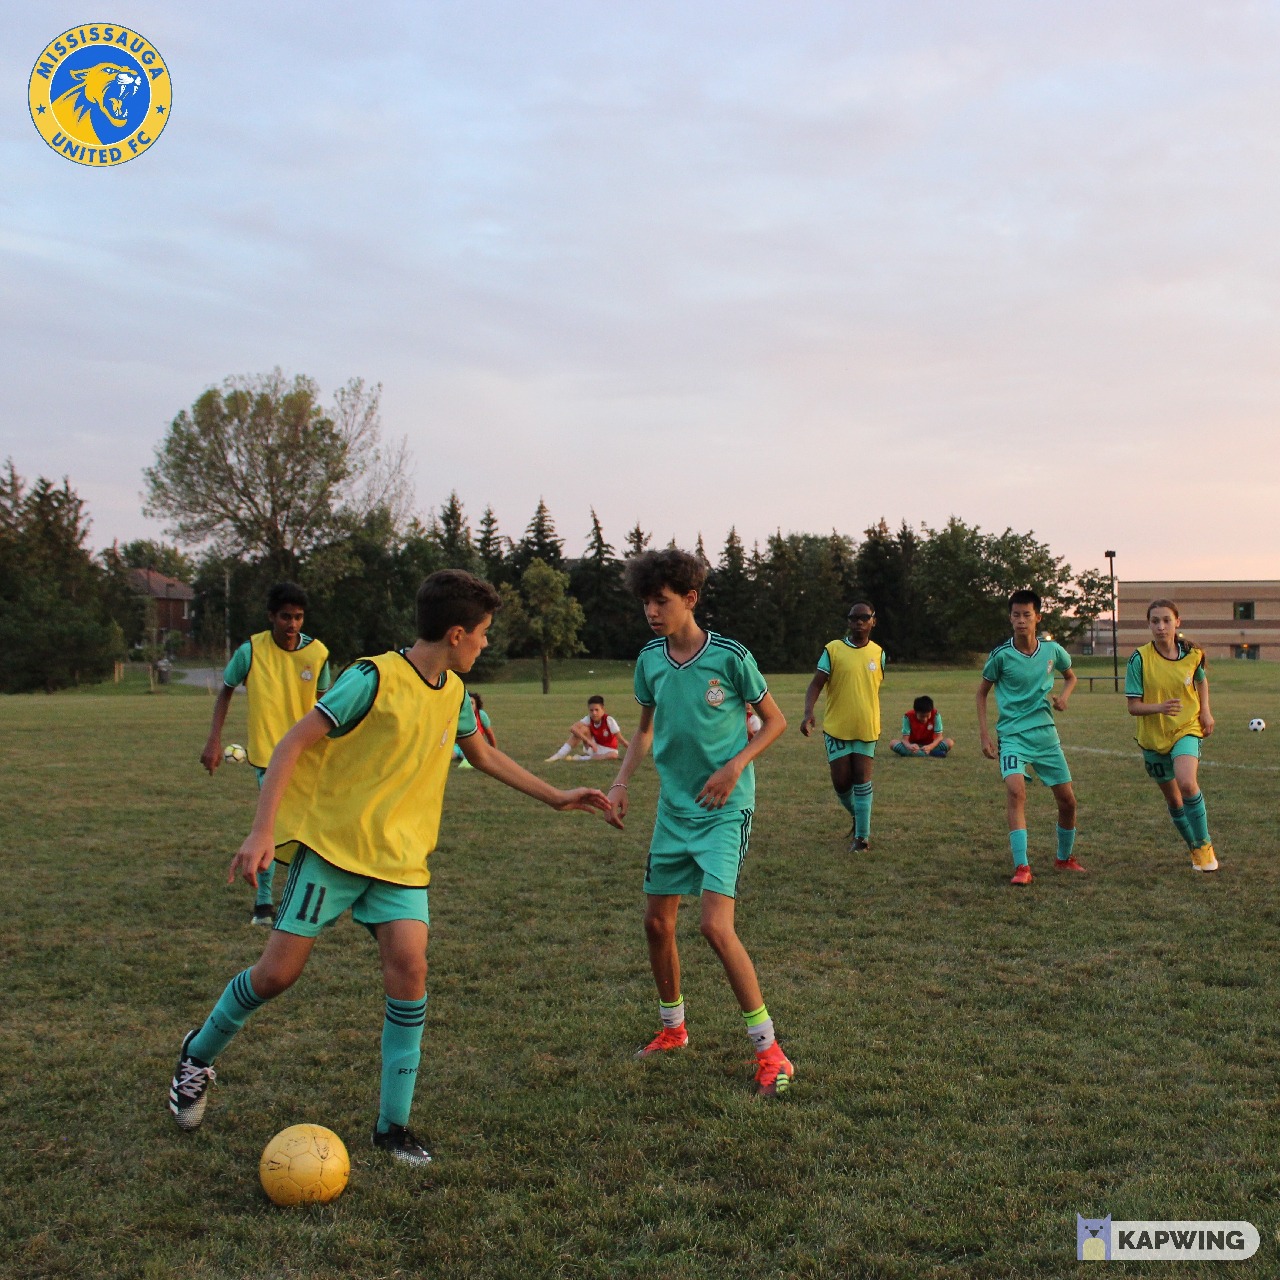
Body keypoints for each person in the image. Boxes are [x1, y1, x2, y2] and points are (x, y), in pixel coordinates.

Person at [169, 570, 613, 1165]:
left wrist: (556, 797)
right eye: (482, 634)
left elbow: (481, 754)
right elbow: (293, 742)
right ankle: (197, 1055)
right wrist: (260, 830)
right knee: (276, 976)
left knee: (410, 970)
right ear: (456, 634)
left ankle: (392, 1127)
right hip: (332, 854)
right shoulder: (371, 677)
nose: (485, 644)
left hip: (402, 864)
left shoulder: (453, 693)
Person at [605, 548, 794, 1098]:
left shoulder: (730, 657)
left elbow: (774, 721)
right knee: (657, 925)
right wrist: (620, 783)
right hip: (673, 808)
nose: (651, 611)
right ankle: (673, 1030)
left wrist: (735, 766)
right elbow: (642, 731)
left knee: (714, 926)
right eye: (645, 601)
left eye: (661, 601)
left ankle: (771, 1053)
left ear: (690, 599)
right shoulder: (650, 660)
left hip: (722, 810)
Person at [201, 582, 331, 925]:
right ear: (272, 616)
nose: (292, 624)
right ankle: (263, 904)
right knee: (271, 825)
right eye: (286, 616)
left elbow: (326, 705)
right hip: (267, 755)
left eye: (299, 617)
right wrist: (213, 741)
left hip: (309, 754)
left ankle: (305, 897)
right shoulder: (251, 651)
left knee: (309, 828)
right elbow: (225, 692)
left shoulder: (318, 654)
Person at [976, 590, 1084, 886]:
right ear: (1010, 618)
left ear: (1038, 617)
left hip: (1046, 737)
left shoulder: (1053, 651)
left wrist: (1064, 696)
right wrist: (985, 735)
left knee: (1068, 802)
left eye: (1026, 615)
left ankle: (1064, 858)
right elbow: (982, 692)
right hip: (1012, 736)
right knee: (1016, 791)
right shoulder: (1001, 656)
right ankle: (1022, 866)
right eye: (1015, 615)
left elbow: (1071, 676)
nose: (1021, 620)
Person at [1125, 599, 1218, 871]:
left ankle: (1204, 844)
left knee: (1187, 783)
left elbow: (1200, 679)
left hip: (1185, 727)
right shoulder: (1139, 659)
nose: (1161, 626)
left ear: (1177, 622)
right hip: (1153, 739)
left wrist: (1206, 712)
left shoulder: (1192, 653)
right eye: (1155, 621)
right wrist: (1159, 708)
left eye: (1166, 620)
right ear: (1149, 625)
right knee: (1174, 800)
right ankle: (1194, 848)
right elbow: (1133, 707)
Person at [800, 603, 886, 852]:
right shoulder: (833, 649)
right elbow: (816, 684)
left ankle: (862, 837)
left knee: (862, 779)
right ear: (848, 622)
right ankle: (859, 816)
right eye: (854, 618)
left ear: (873, 621)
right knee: (841, 783)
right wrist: (808, 713)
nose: (859, 622)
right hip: (837, 727)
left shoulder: (879, 653)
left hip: (866, 727)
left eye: (864, 617)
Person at [545, 695, 630, 762]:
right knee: (582, 730)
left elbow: (621, 740)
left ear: (603, 709)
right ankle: (559, 755)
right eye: (591, 710)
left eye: (597, 710)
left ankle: (581, 758)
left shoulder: (609, 720)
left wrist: (634, 751)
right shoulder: (588, 718)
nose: (594, 713)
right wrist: (588, 741)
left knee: (613, 755)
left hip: (609, 750)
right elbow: (572, 728)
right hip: (594, 747)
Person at [890, 696, 955, 757]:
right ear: (915, 712)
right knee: (892, 743)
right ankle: (932, 753)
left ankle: (917, 754)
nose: (925, 719)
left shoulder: (936, 715)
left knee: (949, 742)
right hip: (914, 746)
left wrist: (930, 746)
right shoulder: (907, 717)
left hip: (931, 744)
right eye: (922, 716)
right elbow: (905, 739)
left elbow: (939, 737)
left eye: (927, 716)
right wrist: (909, 746)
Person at [454, 692, 495, 768]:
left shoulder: (481, 715)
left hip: (472, 746)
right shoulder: (456, 714)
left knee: (471, 756)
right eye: (466, 704)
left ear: (477, 705)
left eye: (471, 703)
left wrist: (494, 750)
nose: (469, 707)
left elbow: (489, 734)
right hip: (456, 746)